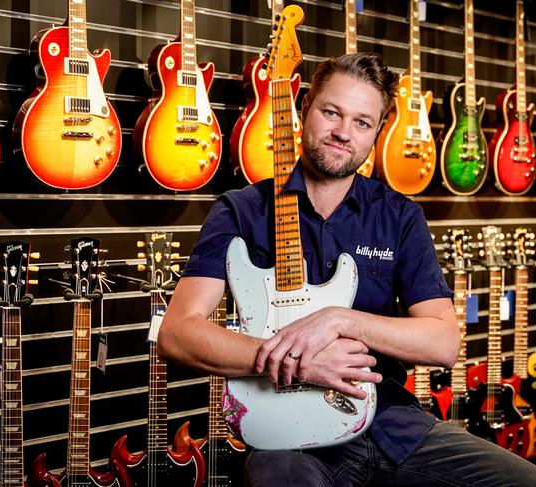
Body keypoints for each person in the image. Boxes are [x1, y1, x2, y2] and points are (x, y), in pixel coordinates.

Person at [157, 52, 536, 486]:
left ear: (377, 132)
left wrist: (340, 321)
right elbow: (177, 333)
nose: (342, 133)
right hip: (289, 439)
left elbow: (443, 341)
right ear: (304, 109)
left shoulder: (399, 216)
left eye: (362, 122)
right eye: (331, 112)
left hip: (393, 427)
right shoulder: (240, 211)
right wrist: (297, 363)